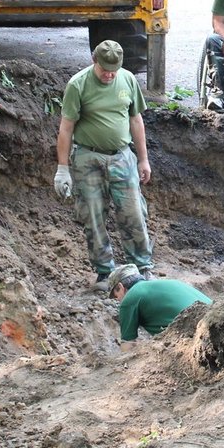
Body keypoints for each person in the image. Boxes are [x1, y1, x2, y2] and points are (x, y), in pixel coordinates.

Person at [54, 40, 154, 290]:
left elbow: (136, 120)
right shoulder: (78, 85)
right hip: (88, 158)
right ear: (93, 61)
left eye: (114, 70)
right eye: (104, 70)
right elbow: (66, 129)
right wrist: (62, 169)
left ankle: (141, 269)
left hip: (122, 156)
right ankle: (104, 273)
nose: (109, 75)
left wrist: (143, 158)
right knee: (93, 215)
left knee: (133, 212)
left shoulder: (128, 80)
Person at [107, 264, 212, 341]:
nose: (118, 301)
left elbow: (128, 346)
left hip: (199, 335)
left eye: (116, 296)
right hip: (216, 317)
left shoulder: (129, 299)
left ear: (120, 287)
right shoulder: (172, 282)